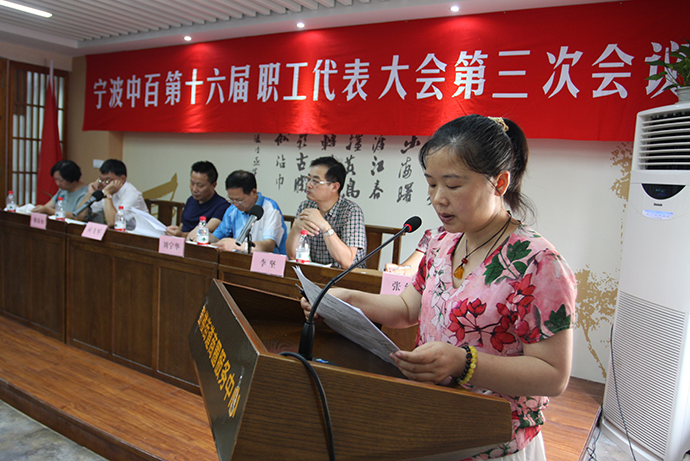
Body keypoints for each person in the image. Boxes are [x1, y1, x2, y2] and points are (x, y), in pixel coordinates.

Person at [303, 115, 577, 460]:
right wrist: (345, 299)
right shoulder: (440, 243)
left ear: (500, 182)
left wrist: (463, 362)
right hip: (431, 422)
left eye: (453, 185)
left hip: (494, 442)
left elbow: (553, 375)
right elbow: (406, 309)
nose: (438, 199)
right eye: (431, 184)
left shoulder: (538, 263)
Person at [286, 156, 367, 269]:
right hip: (314, 274)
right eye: (308, 179)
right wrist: (295, 228)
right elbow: (292, 256)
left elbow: (347, 262)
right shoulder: (306, 206)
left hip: (345, 277)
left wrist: (324, 226)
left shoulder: (351, 211)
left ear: (334, 187)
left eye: (315, 181)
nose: (308, 185)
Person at [210, 170, 287, 254]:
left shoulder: (270, 208)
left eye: (239, 200)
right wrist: (205, 235)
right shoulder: (232, 210)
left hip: (267, 260)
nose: (235, 204)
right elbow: (218, 237)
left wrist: (238, 245)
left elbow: (268, 246)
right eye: (231, 199)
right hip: (241, 259)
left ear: (253, 192)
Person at [75, 159, 148, 228]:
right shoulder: (106, 190)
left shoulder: (132, 195)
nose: (103, 184)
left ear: (122, 179)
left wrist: (107, 194)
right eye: (101, 180)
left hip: (138, 234)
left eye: (108, 181)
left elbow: (113, 223)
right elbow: (79, 216)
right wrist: (90, 193)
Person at [166, 161, 230, 239]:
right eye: (192, 183)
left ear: (214, 185)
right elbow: (182, 226)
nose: (194, 189)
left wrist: (181, 235)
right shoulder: (190, 200)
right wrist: (175, 232)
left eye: (200, 185)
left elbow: (204, 232)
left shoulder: (222, 206)